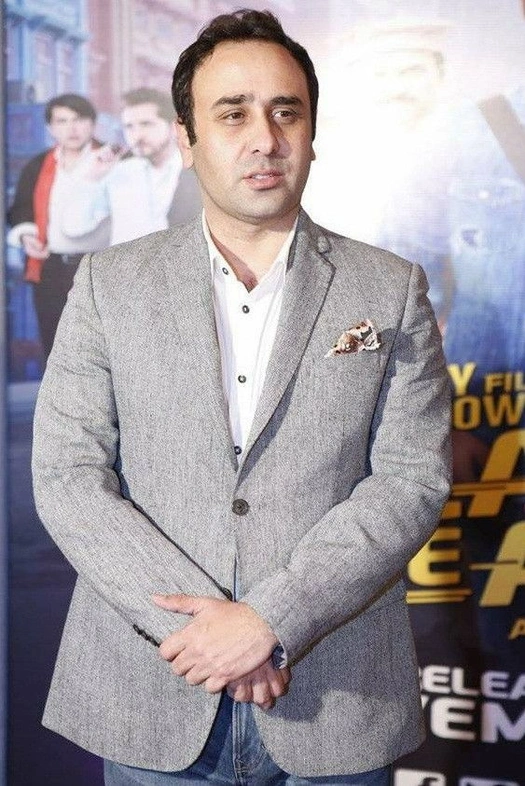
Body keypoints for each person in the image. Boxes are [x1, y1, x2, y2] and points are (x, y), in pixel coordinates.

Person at [32, 9, 451, 786]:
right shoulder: (108, 284)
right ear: (186, 139)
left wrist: (270, 621)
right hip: (150, 691)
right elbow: (67, 476)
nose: (264, 138)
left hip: (336, 697)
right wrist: (205, 636)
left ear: (312, 133)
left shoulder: (388, 289)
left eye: (285, 112)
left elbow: (409, 479)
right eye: (232, 114)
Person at [7, 93, 110, 358]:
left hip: (102, 265)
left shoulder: (112, 160)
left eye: (79, 119)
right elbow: (20, 208)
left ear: (92, 123)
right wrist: (27, 237)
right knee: (54, 344)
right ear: (50, 128)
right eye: (62, 121)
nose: (71, 128)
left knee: (103, 346)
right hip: (50, 267)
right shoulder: (38, 165)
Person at [62, 87, 201, 245]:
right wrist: (92, 178)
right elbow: (74, 227)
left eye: (146, 124)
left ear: (173, 127)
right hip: (127, 261)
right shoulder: (120, 172)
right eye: (129, 126)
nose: (137, 135)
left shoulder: (196, 170)